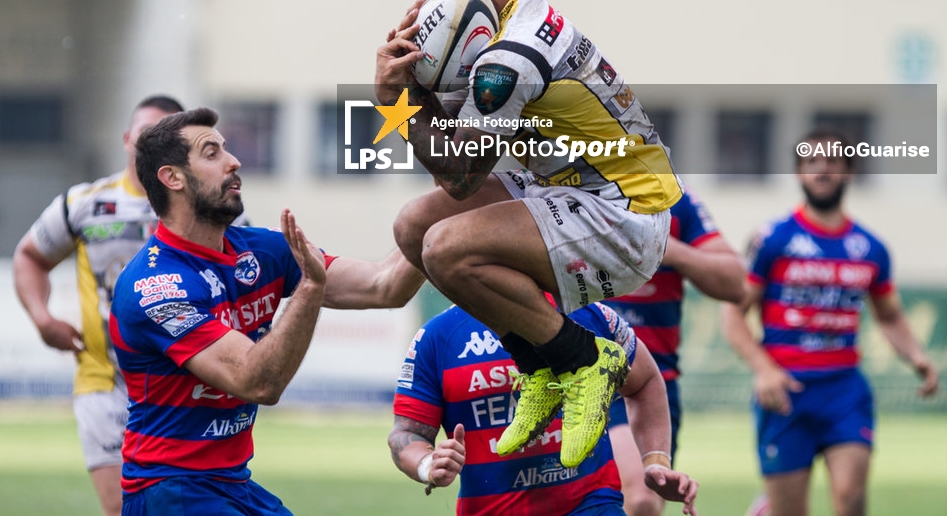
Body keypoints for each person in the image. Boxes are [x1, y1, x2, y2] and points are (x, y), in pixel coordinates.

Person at [374, 0, 682, 470]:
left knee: (444, 249)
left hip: (624, 212)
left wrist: (398, 98)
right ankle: (542, 363)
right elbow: (452, 162)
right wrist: (415, 84)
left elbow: (460, 176)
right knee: (415, 228)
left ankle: (583, 361)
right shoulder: (493, 28)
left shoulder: (508, 60)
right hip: (564, 183)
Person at [109, 107, 423, 516]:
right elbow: (258, 382)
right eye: (211, 153)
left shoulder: (261, 249)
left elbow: (385, 285)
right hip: (170, 489)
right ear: (173, 178)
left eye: (225, 149)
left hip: (232, 483)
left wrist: (444, 207)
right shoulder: (154, 286)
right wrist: (310, 288)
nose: (233, 160)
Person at [719, 127, 939, 516]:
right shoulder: (773, 238)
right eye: (811, 163)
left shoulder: (870, 248)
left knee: (851, 500)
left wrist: (916, 356)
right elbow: (733, 313)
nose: (822, 170)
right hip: (786, 392)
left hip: (844, 391)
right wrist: (763, 369)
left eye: (832, 162)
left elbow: (889, 316)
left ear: (848, 171)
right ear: (799, 173)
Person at [13, 94, 184, 516]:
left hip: (179, 384)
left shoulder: (202, 208)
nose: (150, 145)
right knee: (123, 509)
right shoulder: (85, 203)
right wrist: (42, 318)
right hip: (104, 381)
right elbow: (29, 256)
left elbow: (246, 269)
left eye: (164, 137)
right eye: (145, 134)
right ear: (127, 139)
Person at [389, 298, 699, 515]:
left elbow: (645, 382)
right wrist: (428, 464)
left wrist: (655, 461)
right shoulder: (438, 336)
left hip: (591, 506)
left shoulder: (587, 314)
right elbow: (405, 433)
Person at [604, 188, 745, 516]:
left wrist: (666, 248)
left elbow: (736, 282)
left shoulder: (675, 200)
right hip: (579, 373)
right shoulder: (564, 183)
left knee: (646, 502)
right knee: (633, 498)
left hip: (653, 382)